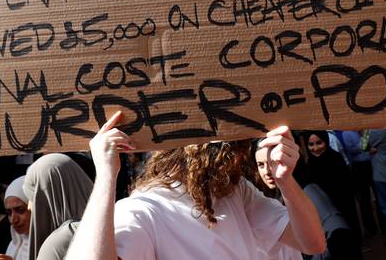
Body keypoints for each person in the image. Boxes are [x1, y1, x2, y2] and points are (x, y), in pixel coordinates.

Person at [67, 111, 327, 260]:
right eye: (230, 149)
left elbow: (313, 243)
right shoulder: (142, 211)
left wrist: (286, 181)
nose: (240, 158)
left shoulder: (234, 191)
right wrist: (106, 176)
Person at [253, 139, 361, 260]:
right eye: (261, 165)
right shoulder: (264, 197)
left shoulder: (307, 191)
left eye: (273, 163)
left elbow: (337, 228)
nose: (266, 171)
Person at [23, 153, 93, 260]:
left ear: (51, 194)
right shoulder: (108, 226)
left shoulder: (59, 242)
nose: (29, 206)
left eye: (33, 198)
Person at [301, 131, 361, 237]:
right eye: (311, 144)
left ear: (326, 141)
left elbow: (347, 190)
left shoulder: (336, 159)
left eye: (319, 143)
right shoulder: (311, 163)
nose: (315, 148)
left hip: (342, 210)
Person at [341, 130, 378, 237]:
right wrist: (365, 135)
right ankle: (370, 228)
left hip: (371, 164)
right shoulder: (346, 133)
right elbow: (357, 147)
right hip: (359, 167)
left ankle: (385, 224)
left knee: (378, 194)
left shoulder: (363, 130)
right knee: (364, 199)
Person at [0, 175, 31, 260]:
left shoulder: (49, 244)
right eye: (9, 213)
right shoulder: (14, 244)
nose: (13, 220)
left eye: (20, 210)